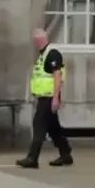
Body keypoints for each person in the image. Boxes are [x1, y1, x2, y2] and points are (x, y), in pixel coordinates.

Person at [16, 28, 73, 168]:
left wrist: (55, 98)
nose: (34, 43)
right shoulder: (42, 55)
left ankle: (32, 158)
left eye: (35, 40)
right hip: (43, 97)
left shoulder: (52, 54)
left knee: (39, 125)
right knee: (54, 128)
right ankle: (65, 154)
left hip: (49, 98)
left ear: (40, 40)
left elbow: (57, 76)